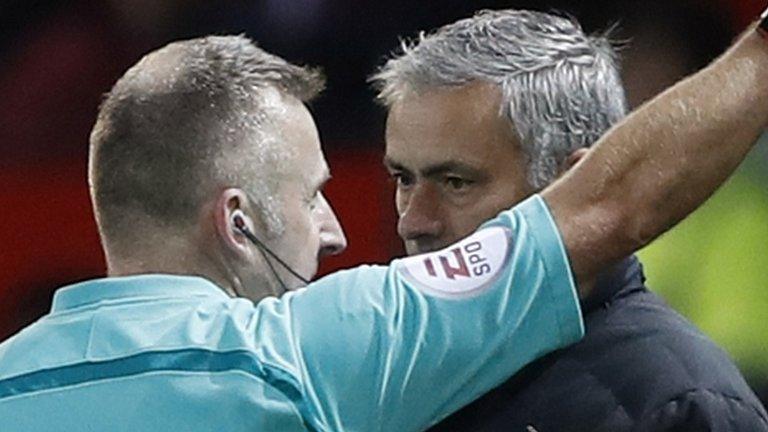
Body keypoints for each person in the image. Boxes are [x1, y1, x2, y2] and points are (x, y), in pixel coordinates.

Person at [0, 4, 767, 429]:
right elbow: (610, 206)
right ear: (238, 224)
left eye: (454, 180)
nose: (346, 231)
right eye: (310, 198)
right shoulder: (308, 362)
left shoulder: (678, 400)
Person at [371, 9, 768, 431]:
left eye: (455, 183)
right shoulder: (378, 373)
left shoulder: (679, 406)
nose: (413, 222)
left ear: (576, 184)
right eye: (403, 179)